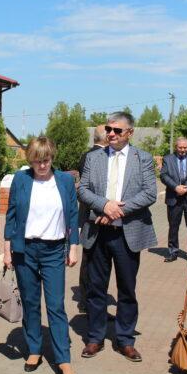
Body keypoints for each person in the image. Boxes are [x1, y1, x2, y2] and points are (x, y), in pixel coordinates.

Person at [77, 111, 157, 363]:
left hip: (127, 233)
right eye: (109, 129)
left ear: (129, 133)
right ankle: (95, 337)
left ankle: (124, 340)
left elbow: (149, 194)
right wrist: (104, 205)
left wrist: (115, 211)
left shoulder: (142, 158)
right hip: (97, 232)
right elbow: (83, 190)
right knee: (96, 288)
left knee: (127, 289)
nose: (111, 134)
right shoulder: (94, 158)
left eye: (117, 130)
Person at [3, 137, 80, 374]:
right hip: (25, 249)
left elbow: (73, 215)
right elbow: (11, 216)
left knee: (56, 305)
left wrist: (74, 247)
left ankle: (63, 358)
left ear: (52, 158)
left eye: (46, 160)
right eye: (37, 161)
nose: (42, 165)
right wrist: (7, 250)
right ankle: (34, 350)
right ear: (31, 161)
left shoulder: (66, 181)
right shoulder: (22, 179)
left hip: (54, 250)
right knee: (31, 302)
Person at [76, 125, 107, 312]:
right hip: (93, 215)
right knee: (91, 258)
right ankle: (87, 301)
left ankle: (88, 300)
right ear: (104, 137)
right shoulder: (94, 156)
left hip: (89, 213)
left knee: (91, 258)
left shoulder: (86, 154)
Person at [160, 137, 187, 263]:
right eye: (180, 147)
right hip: (174, 198)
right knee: (173, 226)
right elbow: (163, 175)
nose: (183, 150)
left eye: (185, 148)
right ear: (175, 146)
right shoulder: (168, 159)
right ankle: (173, 252)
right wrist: (175, 187)